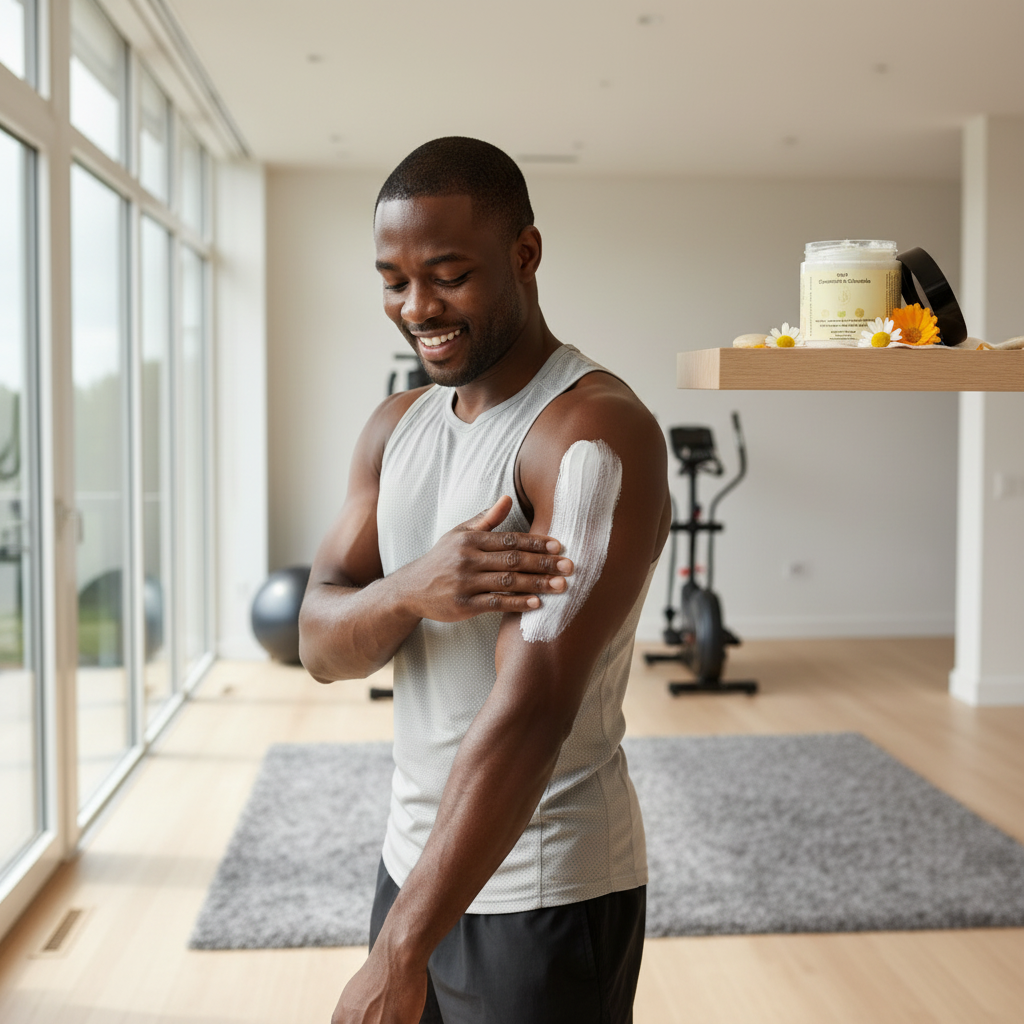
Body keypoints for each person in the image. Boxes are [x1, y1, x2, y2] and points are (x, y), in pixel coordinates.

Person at [299, 137, 670, 1024]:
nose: (416, 306)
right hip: (412, 868)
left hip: (543, 889)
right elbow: (318, 644)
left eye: (449, 274)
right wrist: (407, 589)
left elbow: (529, 714)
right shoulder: (395, 427)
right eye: (393, 280)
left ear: (525, 255)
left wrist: (399, 952)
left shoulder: (589, 435)